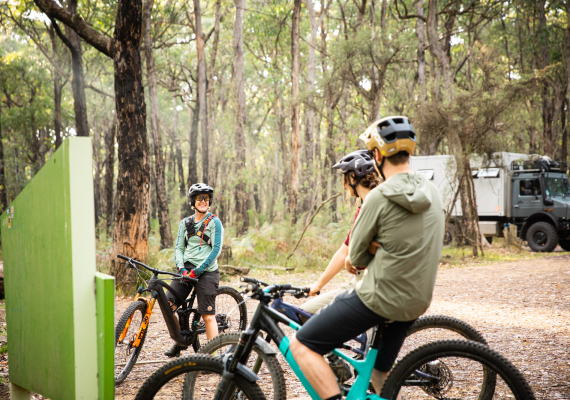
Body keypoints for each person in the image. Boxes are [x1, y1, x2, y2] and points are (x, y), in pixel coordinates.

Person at [290, 116, 445, 400]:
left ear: (376, 154)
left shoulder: (378, 198)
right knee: (378, 372)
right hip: (417, 300)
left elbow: (357, 257)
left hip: (379, 297)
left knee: (302, 345)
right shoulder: (433, 193)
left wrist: (372, 249)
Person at [301, 150, 382, 314]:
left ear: (353, 178)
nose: (344, 185)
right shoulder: (365, 207)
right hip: (360, 281)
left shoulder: (373, 206)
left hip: (370, 285)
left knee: (303, 313)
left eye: (345, 178)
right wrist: (319, 284)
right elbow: (345, 249)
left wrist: (351, 258)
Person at [164, 183, 224, 357]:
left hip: (207, 272)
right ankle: (180, 340)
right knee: (168, 306)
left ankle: (213, 358)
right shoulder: (186, 222)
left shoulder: (215, 222)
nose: (203, 201)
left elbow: (216, 249)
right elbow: (179, 248)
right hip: (186, 270)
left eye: (206, 198)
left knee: (207, 316)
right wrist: (181, 268)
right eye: (199, 198)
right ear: (193, 201)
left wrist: (199, 270)